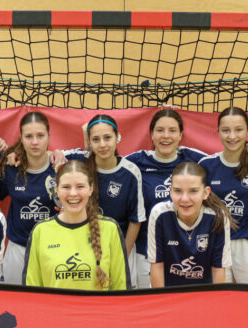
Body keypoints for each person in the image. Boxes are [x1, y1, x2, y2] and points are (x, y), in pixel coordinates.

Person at [125, 109, 209, 288]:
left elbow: (225, 159)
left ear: (180, 135)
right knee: (150, 302)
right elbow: (106, 163)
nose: (166, 136)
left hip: (185, 251)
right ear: (151, 134)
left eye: (172, 130)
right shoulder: (136, 162)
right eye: (160, 130)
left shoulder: (193, 159)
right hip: (146, 252)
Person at [62, 114, 146, 288]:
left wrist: (121, 255)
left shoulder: (130, 172)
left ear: (117, 137)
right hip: (82, 249)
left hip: (120, 249)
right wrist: (14, 154)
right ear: (89, 142)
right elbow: (44, 154)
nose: (102, 145)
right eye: (96, 139)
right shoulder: (79, 161)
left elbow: (135, 220)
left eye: (107, 137)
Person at [23, 160, 130, 290]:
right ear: (57, 190)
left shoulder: (110, 229)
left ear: (91, 189)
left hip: (99, 305)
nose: (73, 193)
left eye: (80, 186)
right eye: (66, 187)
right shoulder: (41, 231)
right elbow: (31, 290)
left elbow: (121, 288)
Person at [199, 106, 248, 286]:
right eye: (226, 130)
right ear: (218, 132)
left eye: (238, 130)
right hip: (216, 243)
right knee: (219, 301)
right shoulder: (206, 165)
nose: (232, 136)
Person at [148, 162, 234, 287]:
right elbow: (157, 266)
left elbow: (218, 270)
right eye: (178, 191)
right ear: (170, 191)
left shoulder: (218, 217)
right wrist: (162, 298)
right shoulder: (159, 214)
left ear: (205, 193)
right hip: (168, 291)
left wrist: (215, 299)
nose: (184, 199)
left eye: (193, 191)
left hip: (204, 292)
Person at [0, 112, 58, 284]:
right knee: (15, 298)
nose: (35, 142)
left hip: (54, 247)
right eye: (29, 136)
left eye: (40, 136)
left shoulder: (60, 166)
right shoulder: (10, 168)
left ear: (49, 136)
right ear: (21, 139)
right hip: (18, 248)